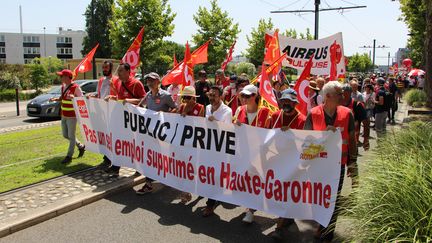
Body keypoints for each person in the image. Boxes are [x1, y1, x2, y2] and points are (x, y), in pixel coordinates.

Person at [303, 81, 357, 242]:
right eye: (339, 94)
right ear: (327, 96)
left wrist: (353, 165)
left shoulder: (347, 114)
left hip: (338, 165)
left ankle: (328, 232)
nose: (343, 96)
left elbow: (352, 141)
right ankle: (322, 224)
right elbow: (305, 141)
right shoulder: (313, 114)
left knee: (334, 198)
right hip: (317, 164)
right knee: (318, 197)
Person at [267, 88, 306, 240]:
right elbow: (268, 136)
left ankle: (279, 227)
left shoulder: (302, 120)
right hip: (278, 159)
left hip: (294, 162)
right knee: (280, 192)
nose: (286, 103)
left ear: (295, 102)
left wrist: (291, 134)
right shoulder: (276, 116)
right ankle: (287, 217)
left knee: (288, 193)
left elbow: (305, 142)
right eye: (283, 100)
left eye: (289, 101)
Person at [233, 84, 271, 223]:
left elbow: (271, 133)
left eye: (248, 96)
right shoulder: (239, 110)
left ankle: (251, 209)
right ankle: (250, 208)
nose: (244, 98)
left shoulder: (266, 112)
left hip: (260, 155)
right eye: (242, 95)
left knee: (258, 182)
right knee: (247, 182)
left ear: (255, 97)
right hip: (243, 153)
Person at [135, 72, 177, 195]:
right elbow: (143, 108)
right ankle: (148, 183)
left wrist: (164, 116)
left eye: (152, 80)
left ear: (158, 81)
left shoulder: (166, 96)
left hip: (162, 133)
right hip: (150, 133)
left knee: (163, 157)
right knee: (151, 157)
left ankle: (169, 177)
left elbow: (175, 108)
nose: (149, 82)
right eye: (148, 80)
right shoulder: (147, 95)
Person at [104, 63, 146, 177]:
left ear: (128, 71)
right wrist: (112, 98)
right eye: (118, 71)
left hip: (134, 120)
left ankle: (139, 168)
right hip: (122, 119)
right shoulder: (120, 83)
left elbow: (143, 100)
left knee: (135, 144)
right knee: (121, 142)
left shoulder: (136, 83)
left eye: (121, 71)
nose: (119, 74)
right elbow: (120, 98)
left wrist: (129, 100)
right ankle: (116, 166)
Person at [202, 85, 232, 217]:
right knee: (210, 174)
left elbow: (227, 130)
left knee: (215, 175)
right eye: (210, 95)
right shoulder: (207, 108)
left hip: (220, 148)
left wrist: (216, 122)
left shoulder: (227, 111)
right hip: (208, 146)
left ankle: (210, 204)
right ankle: (215, 196)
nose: (211, 98)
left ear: (220, 96)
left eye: (214, 95)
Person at [50, 69, 85, 164]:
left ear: (67, 77)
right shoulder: (63, 87)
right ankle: (80, 146)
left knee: (71, 136)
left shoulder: (75, 87)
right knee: (65, 135)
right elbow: (63, 98)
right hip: (64, 114)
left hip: (72, 116)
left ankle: (69, 156)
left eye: (62, 76)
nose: (60, 78)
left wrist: (75, 98)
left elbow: (82, 99)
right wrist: (56, 99)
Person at [88, 60, 117, 167]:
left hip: (112, 113)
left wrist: (113, 87)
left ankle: (113, 158)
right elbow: (99, 94)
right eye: (103, 67)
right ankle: (106, 158)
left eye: (106, 67)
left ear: (111, 68)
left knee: (112, 136)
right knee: (104, 136)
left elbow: (119, 95)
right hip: (102, 112)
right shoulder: (100, 81)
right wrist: (92, 95)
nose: (104, 69)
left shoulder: (116, 80)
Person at [342, 84, 367, 155]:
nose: (344, 95)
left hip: (353, 140)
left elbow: (365, 122)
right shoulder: (338, 104)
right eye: (342, 93)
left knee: (352, 160)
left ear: (350, 93)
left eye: (346, 93)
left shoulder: (357, 105)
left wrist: (366, 138)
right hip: (340, 140)